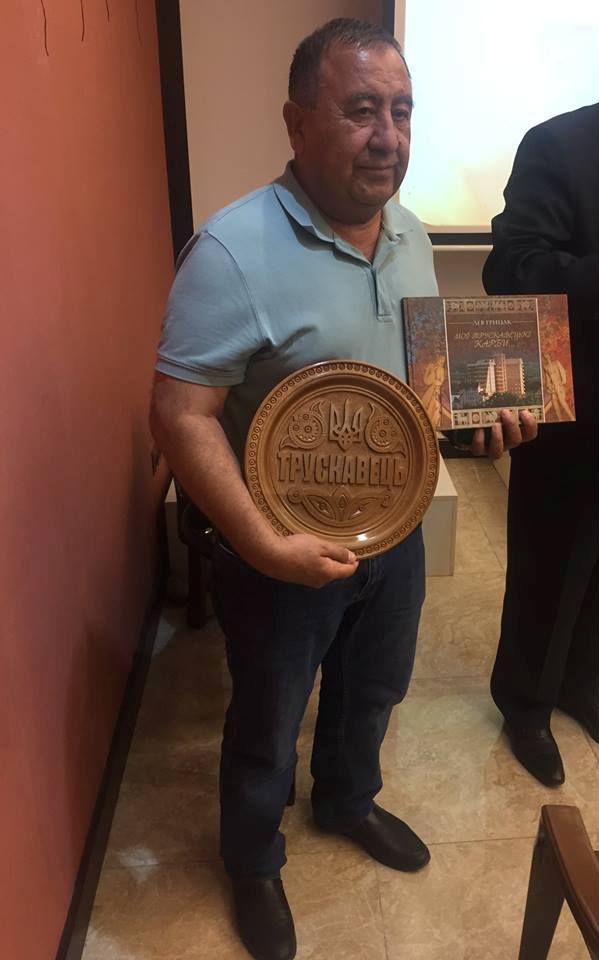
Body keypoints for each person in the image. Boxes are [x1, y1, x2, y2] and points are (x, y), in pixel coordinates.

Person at [151, 19, 536, 960]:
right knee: (267, 717)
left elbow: (411, 385)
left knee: (373, 689)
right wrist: (259, 544)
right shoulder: (231, 251)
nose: (387, 136)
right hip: (276, 545)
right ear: (296, 123)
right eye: (361, 110)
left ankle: (347, 801)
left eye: (401, 111)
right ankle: (252, 862)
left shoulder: (408, 233)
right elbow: (180, 415)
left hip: (393, 530)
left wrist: (478, 420)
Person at [483, 103, 599, 787]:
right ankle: (524, 704)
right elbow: (511, 268)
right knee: (549, 568)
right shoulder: (558, 143)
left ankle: (580, 683)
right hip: (571, 412)